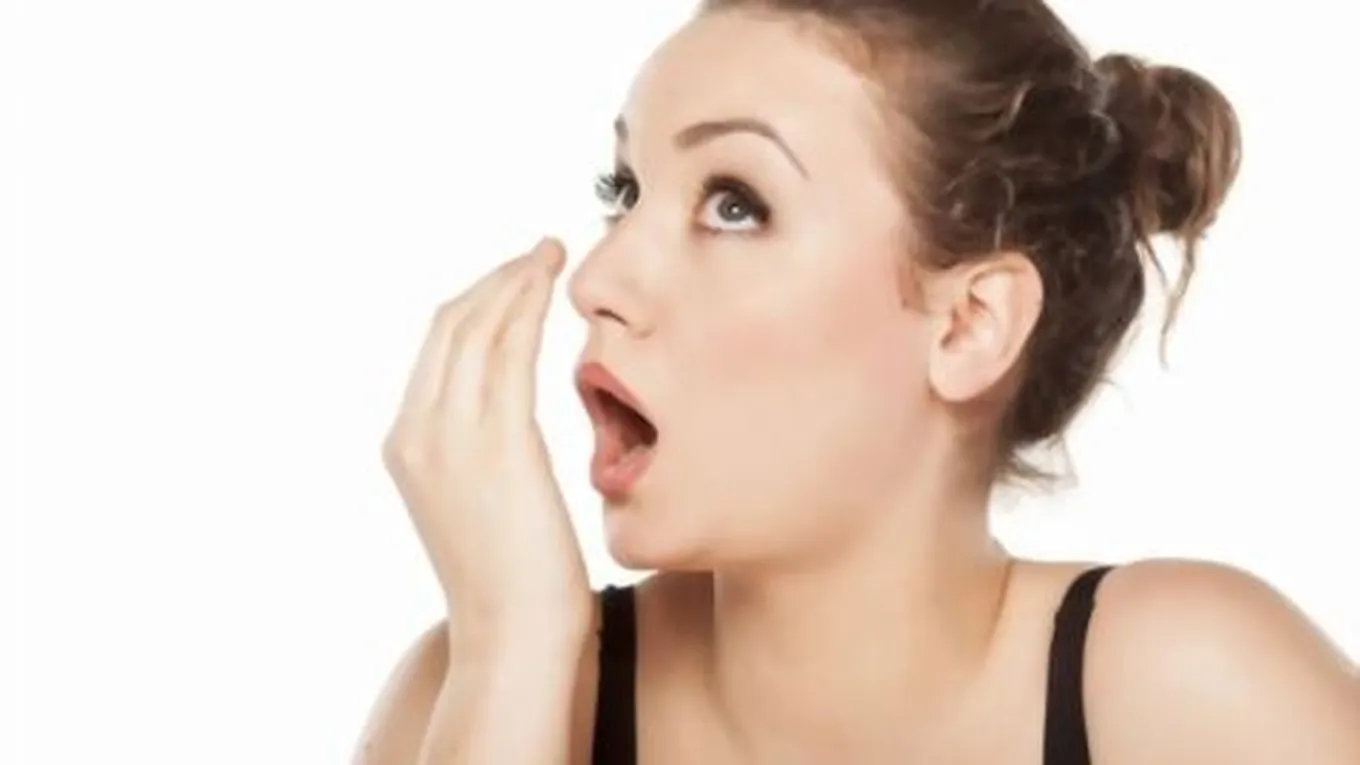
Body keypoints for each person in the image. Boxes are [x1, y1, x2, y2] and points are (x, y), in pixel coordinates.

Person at [353, 1, 1360, 763]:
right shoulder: (475, 691)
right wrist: (514, 649)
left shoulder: (1194, 694)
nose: (599, 278)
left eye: (735, 204)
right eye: (625, 192)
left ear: (968, 325)